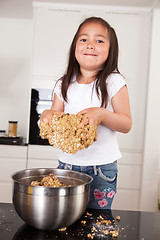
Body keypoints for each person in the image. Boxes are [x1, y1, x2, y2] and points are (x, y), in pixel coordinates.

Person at [40, 17, 132, 209]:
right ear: (75, 47)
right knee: (66, 218)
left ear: (110, 50)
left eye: (99, 41)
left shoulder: (113, 81)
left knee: (96, 224)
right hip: (67, 166)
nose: (90, 45)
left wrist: (102, 114)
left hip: (101, 169)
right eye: (84, 39)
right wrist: (47, 115)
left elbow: (126, 124)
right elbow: (55, 116)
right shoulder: (63, 82)